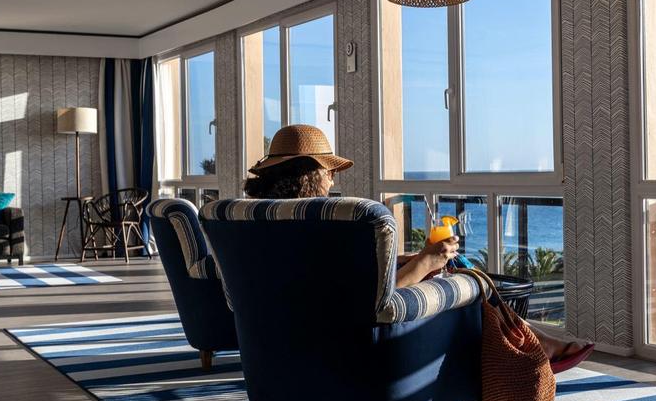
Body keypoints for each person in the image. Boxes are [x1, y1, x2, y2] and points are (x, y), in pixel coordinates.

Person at [244, 124, 594, 371]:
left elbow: (335, 278)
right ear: (308, 173)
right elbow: (375, 300)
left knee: (462, 276)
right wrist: (427, 261)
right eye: (327, 170)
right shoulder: (325, 221)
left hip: (289, 336)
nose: (333, 178)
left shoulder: (258, 223)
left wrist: (407, 259)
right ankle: (536, 345)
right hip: (354, 338)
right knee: (472, 283)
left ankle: (538, 339)